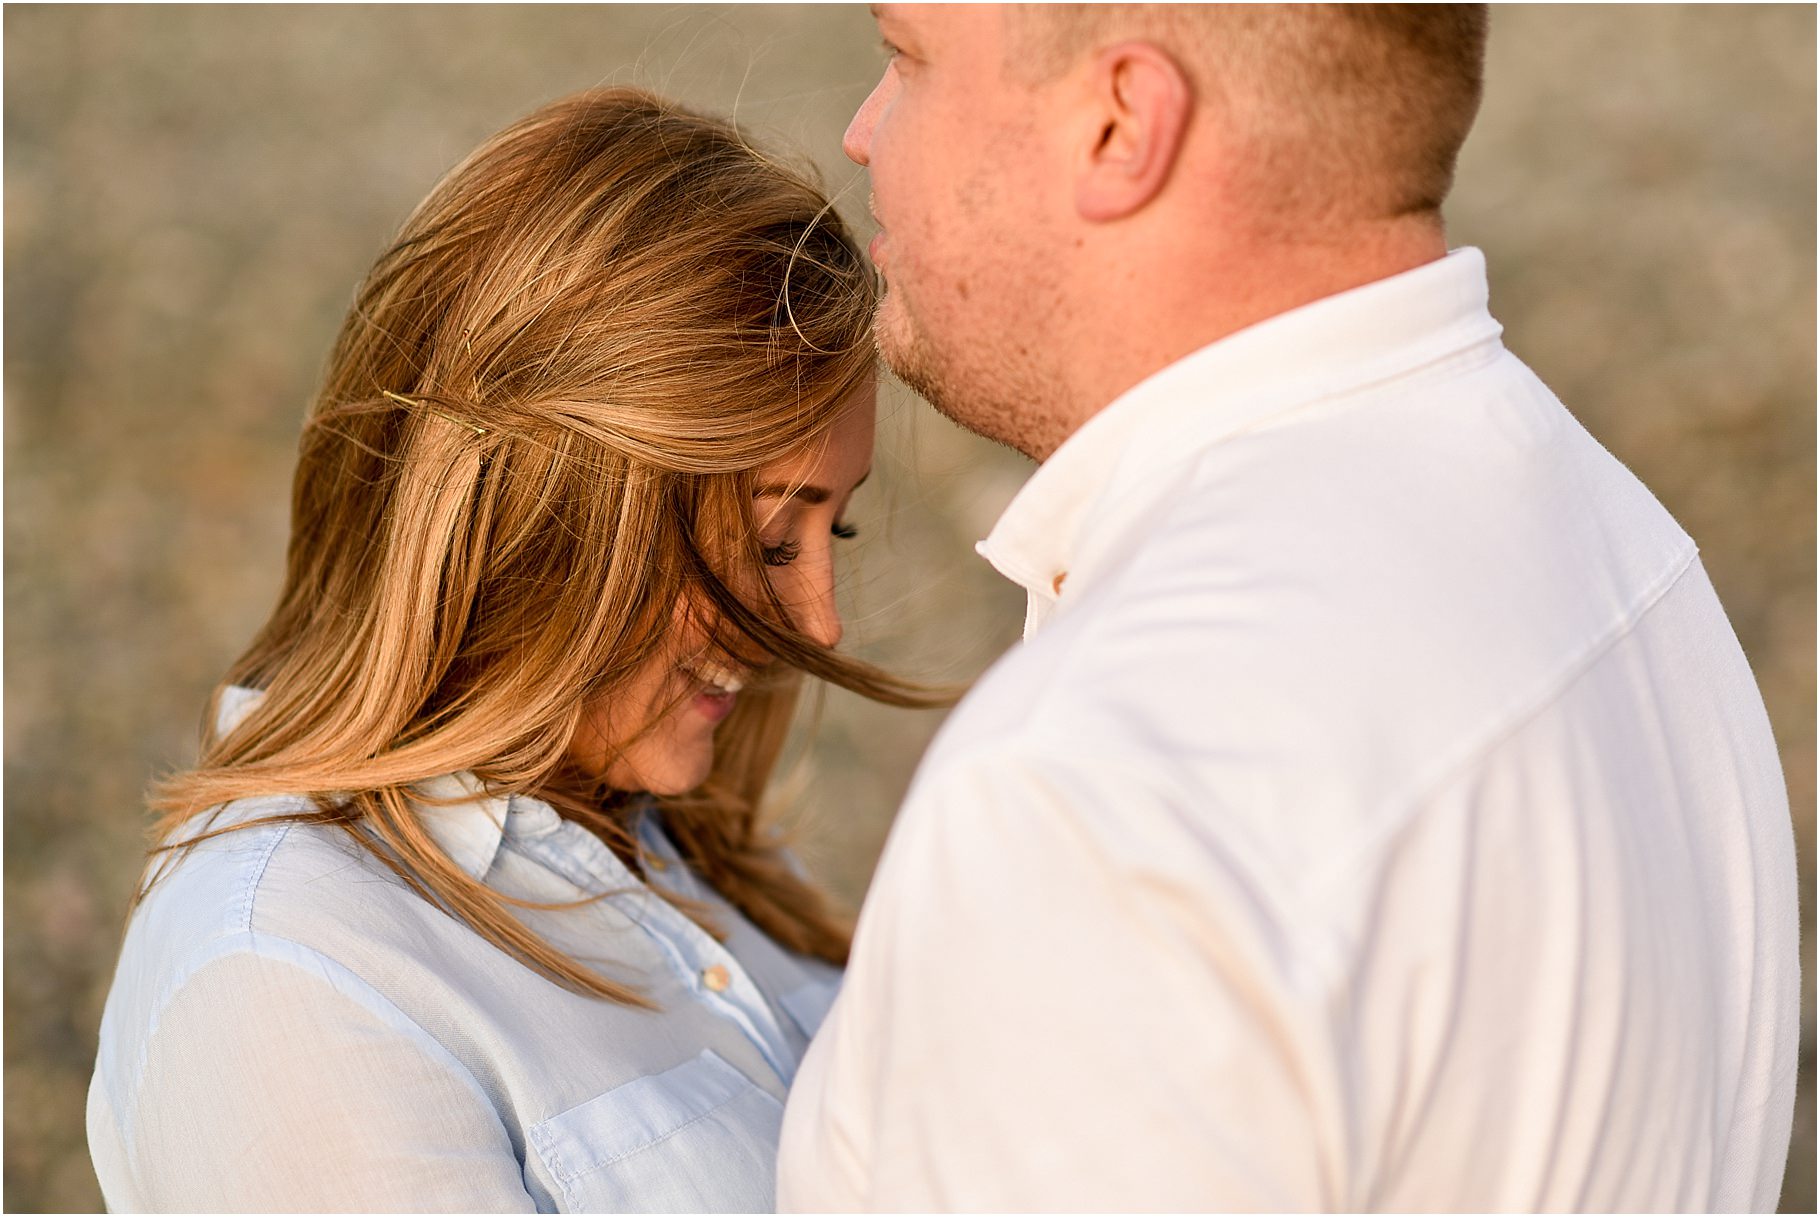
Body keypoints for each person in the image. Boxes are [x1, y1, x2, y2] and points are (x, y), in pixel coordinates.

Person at [778, 5, 1800, 1211]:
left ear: (1120, 125)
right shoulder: (1621, 548)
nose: (860, 131)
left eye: (908, 59)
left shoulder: (1097, 792)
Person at [86, 86, 935, 1212]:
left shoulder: (671, 848)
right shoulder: (284, 977)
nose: (819, 622)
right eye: (770, 541)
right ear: (541, 513)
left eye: (838, 526)